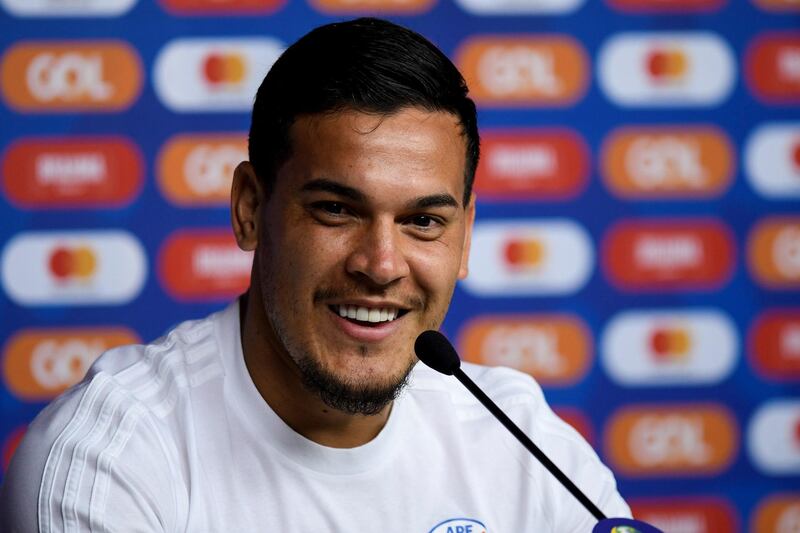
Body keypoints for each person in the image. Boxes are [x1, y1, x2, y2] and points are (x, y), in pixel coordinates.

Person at [1, 18, 630, 531]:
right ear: (250, 209)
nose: (382, 265)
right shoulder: (108, 459)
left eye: (424, 223)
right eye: (336, 210)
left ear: (464, 237)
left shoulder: (523, 441)